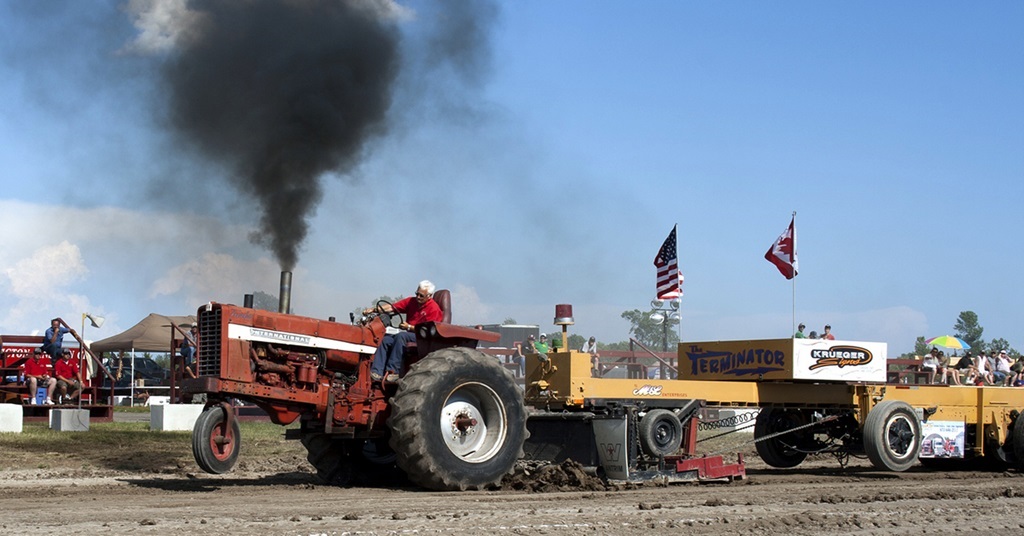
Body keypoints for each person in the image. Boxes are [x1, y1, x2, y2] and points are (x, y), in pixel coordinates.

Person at [364, 280, 443, 383]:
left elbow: (428, 331)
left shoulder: (434, 309)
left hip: (422, 338)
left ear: (429, 296)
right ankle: (376, 372)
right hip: (409, 334)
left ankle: (393, 372)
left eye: (421, 295)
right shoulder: (412, 301)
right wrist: (374, 310)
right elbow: (392, 308)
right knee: (386, 338)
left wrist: (409, 327)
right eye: (417, 294)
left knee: (401, 336)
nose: (418, 297)